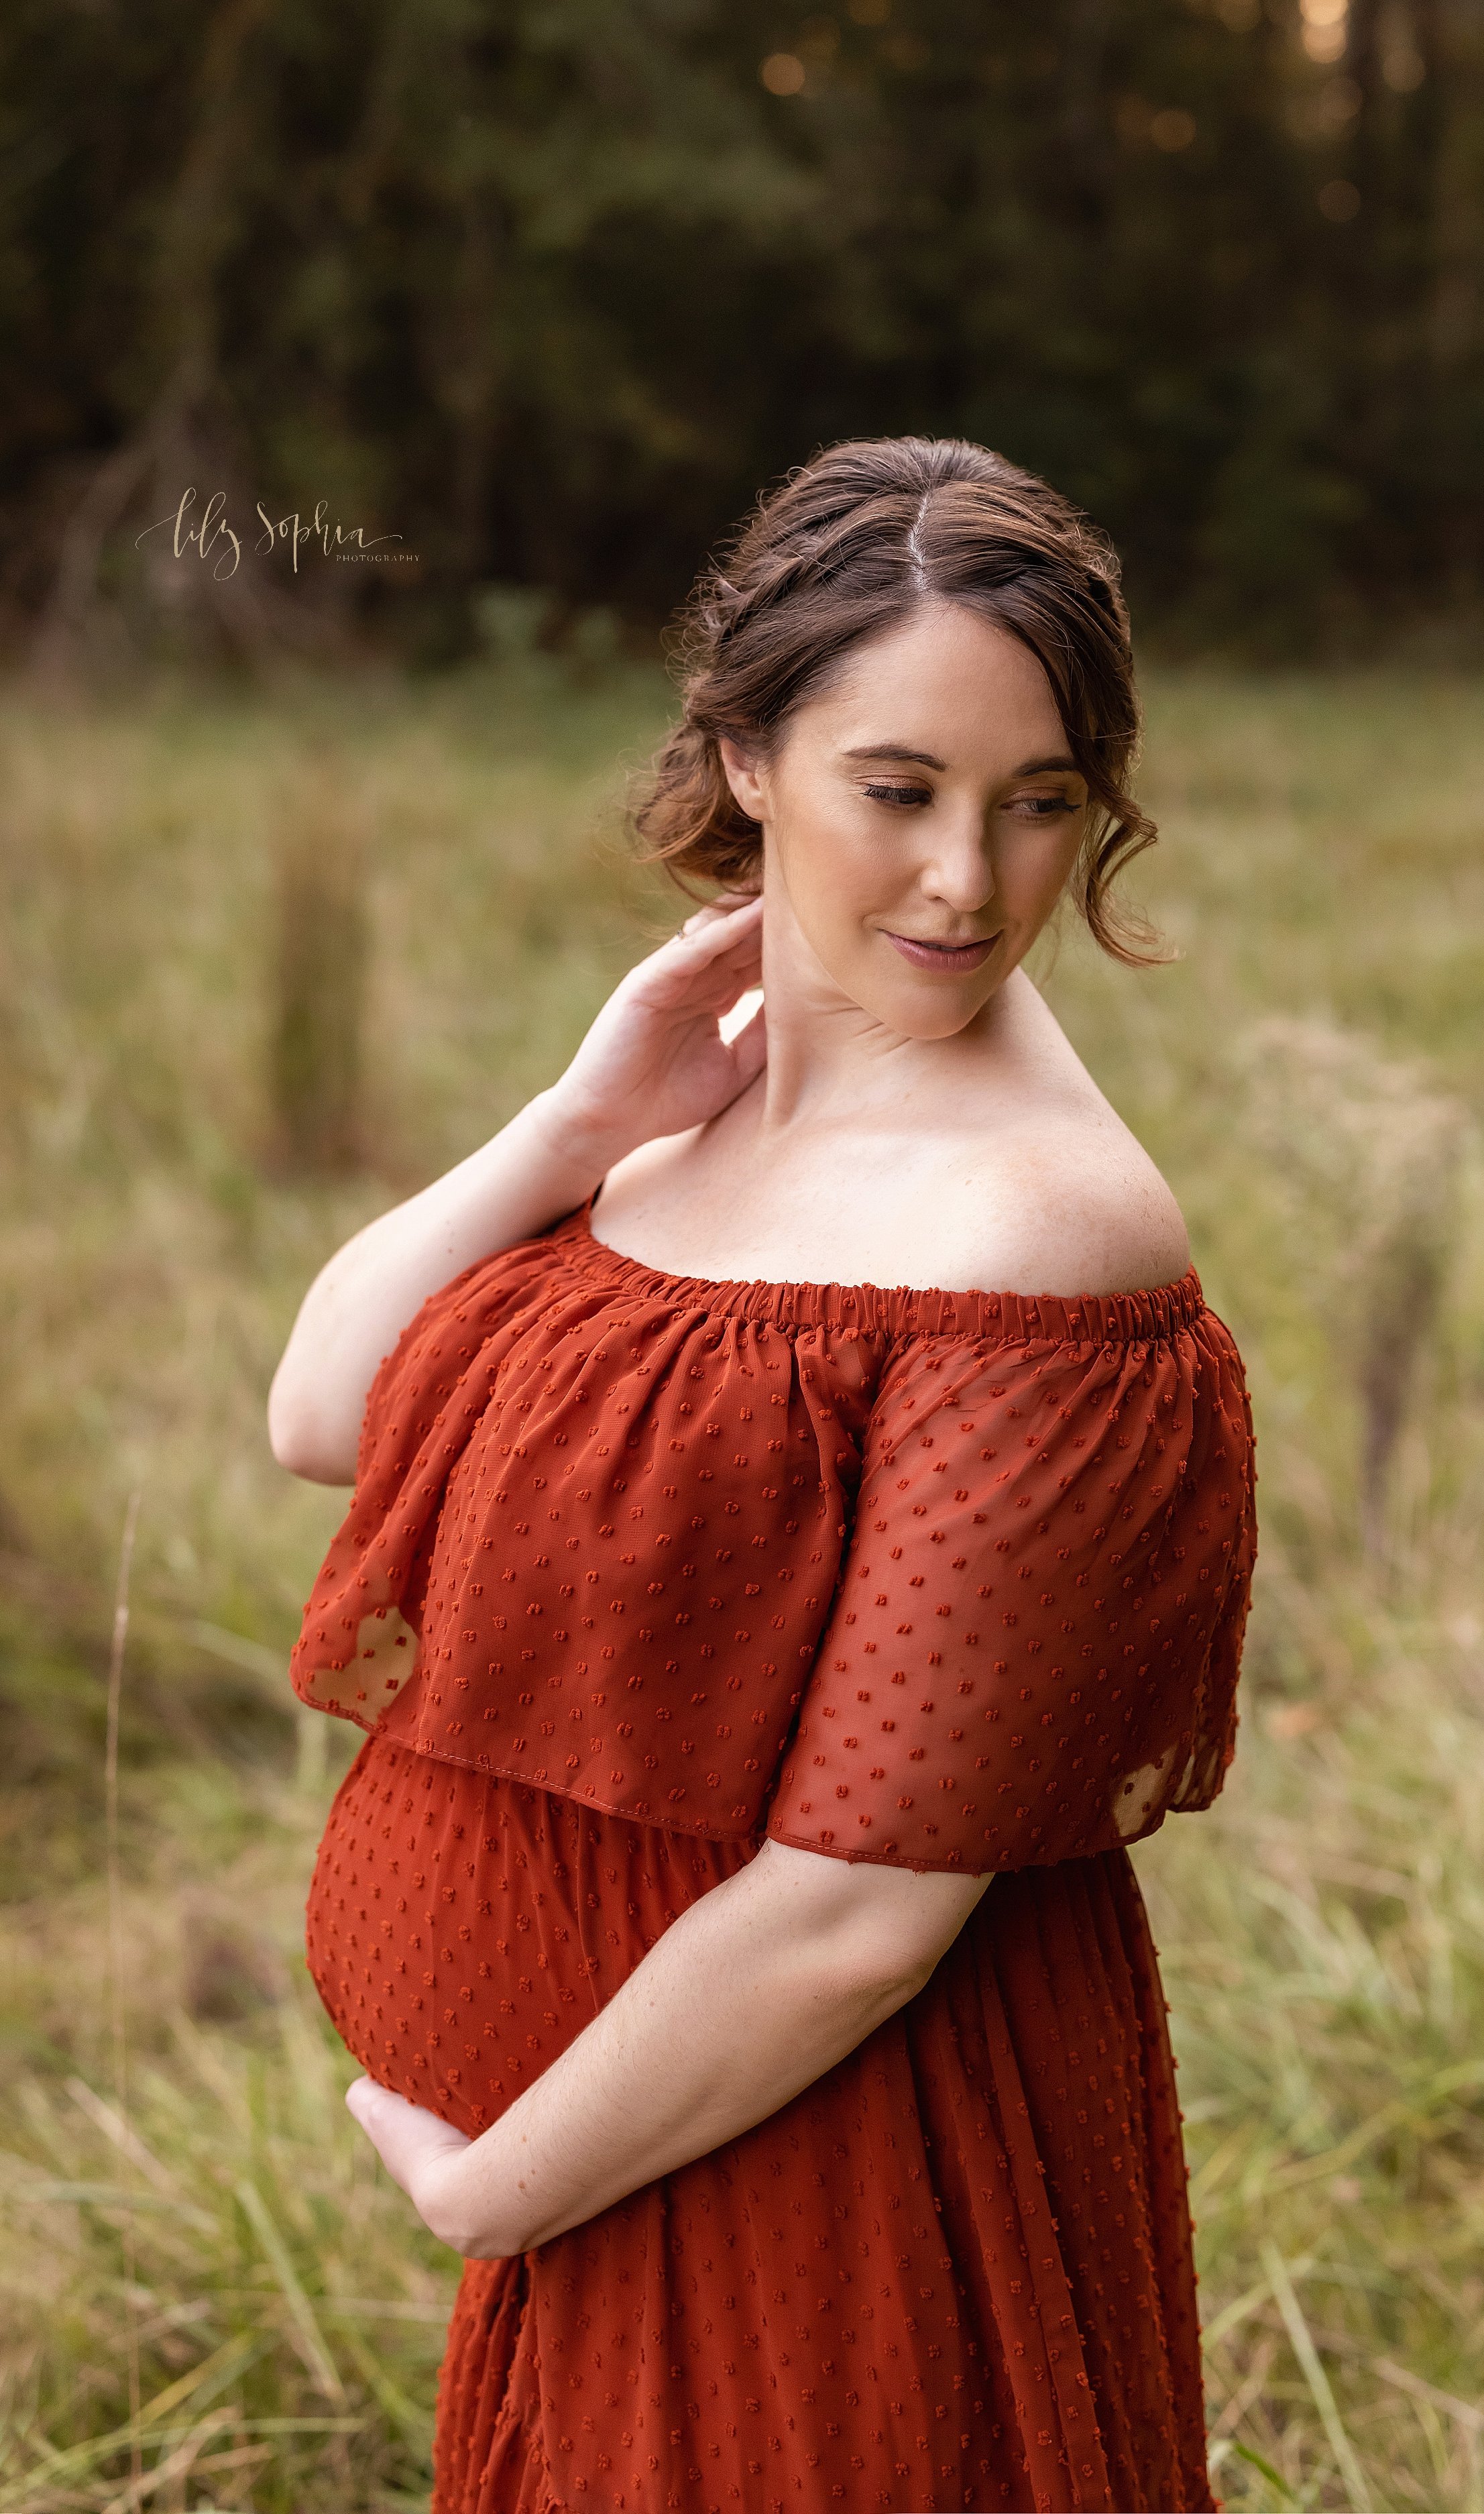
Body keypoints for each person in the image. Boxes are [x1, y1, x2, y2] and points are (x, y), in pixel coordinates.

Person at [271, 436, 1257, 2514]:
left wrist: (498, 2184)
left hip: (840, 2168)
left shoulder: (1037, 1239)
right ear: (741, 754)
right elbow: (330, 1416)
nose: (968, 886)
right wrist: (563, 1127)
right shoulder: (686, 1114)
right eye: (896, 790)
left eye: (1040, 802)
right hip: (638, 2143)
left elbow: (854, 1920)